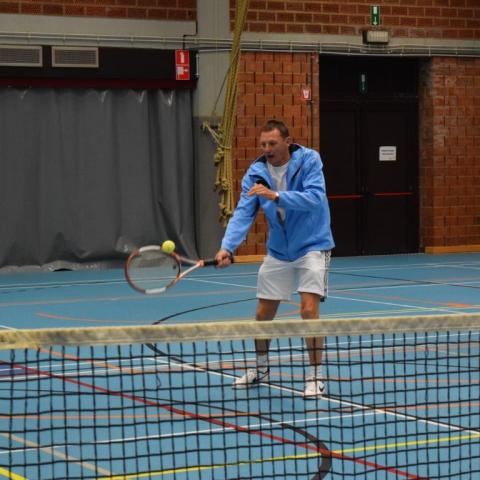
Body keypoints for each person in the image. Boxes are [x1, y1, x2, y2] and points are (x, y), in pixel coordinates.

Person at [215, 119, 334, 398]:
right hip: (279, 250)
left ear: (287, 142)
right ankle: (261, 368)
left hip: (312, 245)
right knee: (262, 315)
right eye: (263, 144)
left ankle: (316, 376)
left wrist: (276, 195)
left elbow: (315, 198)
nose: (267, 149)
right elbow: (244, 213)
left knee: (308, 310)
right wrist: (227, 248)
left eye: (272, 143)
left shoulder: (309, 161)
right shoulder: (256, 174)